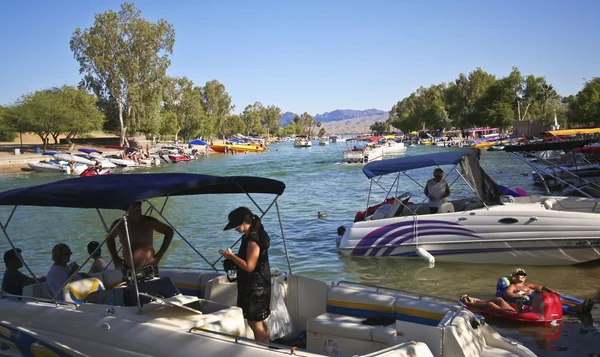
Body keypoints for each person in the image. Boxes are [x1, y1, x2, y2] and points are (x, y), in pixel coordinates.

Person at [220, 207, 271, 342]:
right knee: (258, 322)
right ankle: (266, 348)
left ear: (244, 223)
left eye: (235, 226)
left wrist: (231, 256)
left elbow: (249, 266)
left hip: (255, 287)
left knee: (255, 323)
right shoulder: (253, 234)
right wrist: (234, 258)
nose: (234, 229)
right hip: (257, 284)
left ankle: (261, 351)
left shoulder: (252, 240)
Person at [106, 201, 174, 278]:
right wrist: (115, 257)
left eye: (139, 204)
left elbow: (169, 232)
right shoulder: (119, 224)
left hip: (148, 269)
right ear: (127, 207)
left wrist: (160, 254)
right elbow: (109, 238)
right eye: (134, 204)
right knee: (129, 290)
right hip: (128, 270)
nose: (137, 206)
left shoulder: (150, 221)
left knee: (153, 290)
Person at [502, 268, 594, 313]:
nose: (523, 276)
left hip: (537, 296)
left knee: (555, 296)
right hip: (530, 300)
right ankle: (578, 307)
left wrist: (551, 291)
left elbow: (541, 287)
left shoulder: (528, 285)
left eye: (524, 275)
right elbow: (508, 294)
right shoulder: (514, 286)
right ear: (514, 277)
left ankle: (579, 305)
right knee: (553, 299)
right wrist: (521, 295)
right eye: (520, 274)